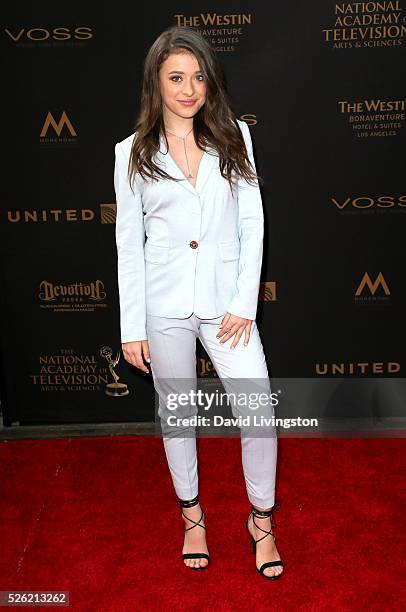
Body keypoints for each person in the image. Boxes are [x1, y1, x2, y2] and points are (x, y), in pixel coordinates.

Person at [113, 25, 283, 580]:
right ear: (156, 84)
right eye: (176, 78)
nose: (189, 89)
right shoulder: (131, 152)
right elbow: (129, 246)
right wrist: (131, 324)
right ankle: (192, 516)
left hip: (226, 305)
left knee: (258, 410)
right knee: (178, 415)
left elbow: (254, 222)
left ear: (210, 81)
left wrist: (244, 303)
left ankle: (261, 523)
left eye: (198, 76)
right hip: (163, 307)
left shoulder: (235, 137)